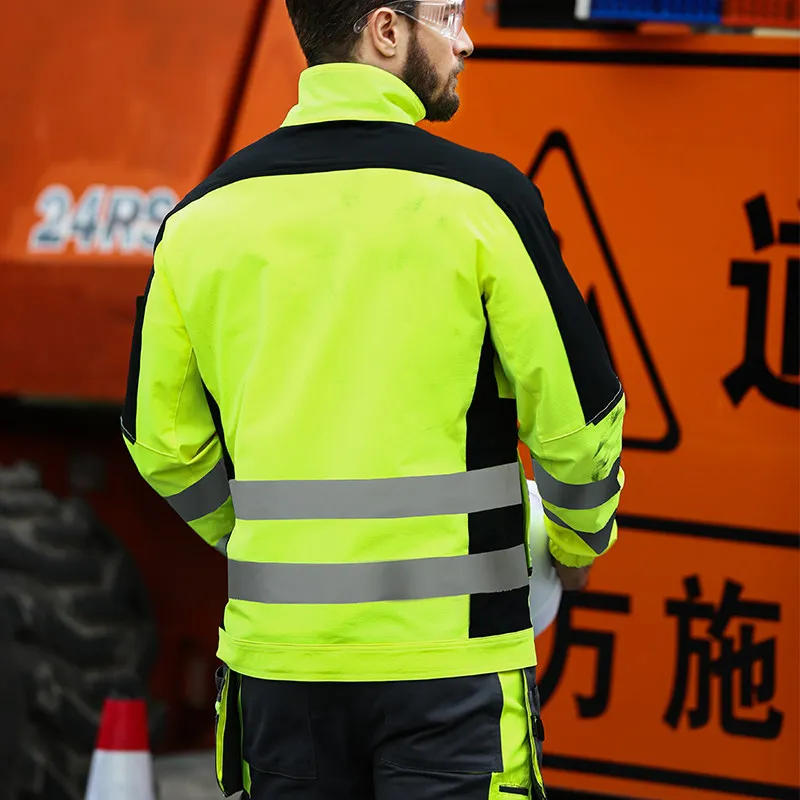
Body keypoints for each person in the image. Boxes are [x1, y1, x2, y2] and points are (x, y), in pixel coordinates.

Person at [121, 0, 626, 797]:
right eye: (449, 14)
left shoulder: (199, 220)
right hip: (451, 677)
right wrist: (577, 545)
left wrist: (264, 542)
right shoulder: (483, 204)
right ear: (385, 32)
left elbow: (161, 441)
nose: (466, 38)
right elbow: (578, 425)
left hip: (279, 669)